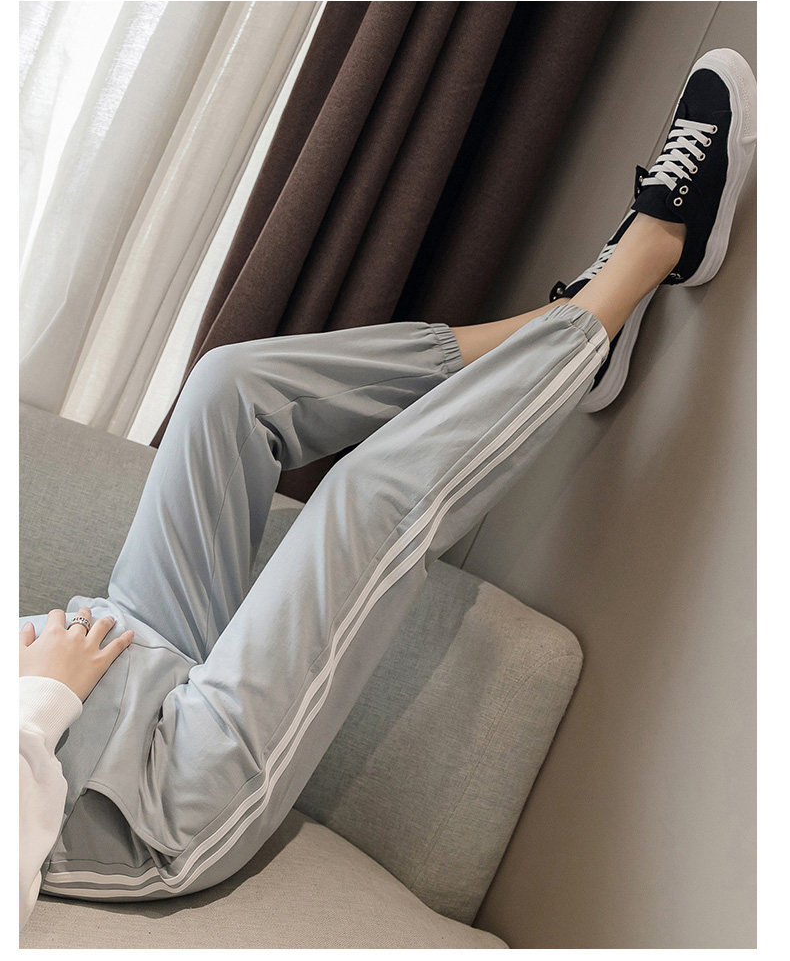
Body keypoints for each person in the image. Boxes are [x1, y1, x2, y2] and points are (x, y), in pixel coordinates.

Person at [19, 48, 756, 931]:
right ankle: (655, 250)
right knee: (365, 500)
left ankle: (566, 324)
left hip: (111, 655)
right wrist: (44, 700)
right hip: (152, 800)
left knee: (229, 390)